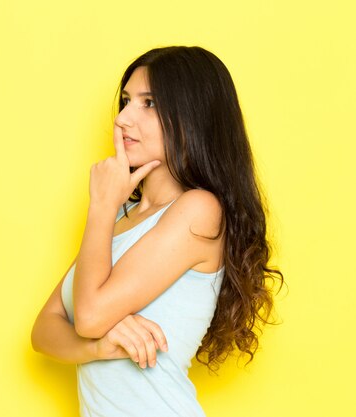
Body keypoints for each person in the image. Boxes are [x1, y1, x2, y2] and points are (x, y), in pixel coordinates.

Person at [30, 46, 284, 417]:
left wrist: (100, 206)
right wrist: (98, 347)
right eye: (127, 100)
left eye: (149, 104)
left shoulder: (199, 210)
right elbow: (43, 331)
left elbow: (86, 317)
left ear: (191, 118)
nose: (123, 118)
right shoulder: (123, 215)